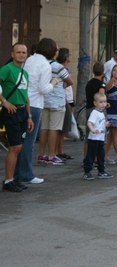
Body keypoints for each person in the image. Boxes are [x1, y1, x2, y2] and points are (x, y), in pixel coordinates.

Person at [14, 38, 59, 185]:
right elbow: (43, 89)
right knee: (29, 141)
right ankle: (26, 173)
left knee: (19, 141)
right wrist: (54, 82)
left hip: (21, 101)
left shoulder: (29, 59)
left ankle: (16, 173)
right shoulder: (45, 65)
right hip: (34, 104)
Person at [0, 43, 34, 192]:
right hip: (11, 111)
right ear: (12, 54)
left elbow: (25, 95)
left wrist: (29, 116)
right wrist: (4, 102)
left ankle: (13, 179)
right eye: (18, 52)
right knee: (15, 146)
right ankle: (8, 181)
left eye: (24, 52)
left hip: (22, 112)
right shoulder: (7, 69)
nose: (21, 54)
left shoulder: (24, 73)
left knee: (18, 147)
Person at [38, 47, 73, 165]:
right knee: (54, 128)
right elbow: (70, 81)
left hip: (44, 99)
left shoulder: (41, 65)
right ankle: (51, 155)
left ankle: (42, 154)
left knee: (44, 128)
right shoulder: (58, 66)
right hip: (57, 100)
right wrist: (62, 83)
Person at [83, 93, 113, 180]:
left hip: (100, 138)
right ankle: (87, 171)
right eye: (101, 102)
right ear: (95, 103)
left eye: (105, 102)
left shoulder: (102, 113)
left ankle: (101, 171)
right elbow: (89, 122)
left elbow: (99, 124)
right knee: (91, 155)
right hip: (94, 138)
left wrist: (105, 125)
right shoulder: (94, 112)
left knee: (101, 155)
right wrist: (92, 130)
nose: (103, 104)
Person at [84, 62, 106, 164]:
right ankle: (96, 158)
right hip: (96, 111)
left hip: (88, 109)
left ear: (93, 71)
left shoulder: (89, 83)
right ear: (103, 72)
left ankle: (86, 158)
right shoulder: (101, 84)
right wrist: (105, 103)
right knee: (98, 133)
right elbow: (101, 96)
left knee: (88, 134)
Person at [56, 48, 74, 161]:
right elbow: (67, 83)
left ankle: (59, 151)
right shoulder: (63, 69)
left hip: (66, 98)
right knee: (62, 129)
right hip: (64, 99)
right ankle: (59, 151)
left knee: (62, 128)